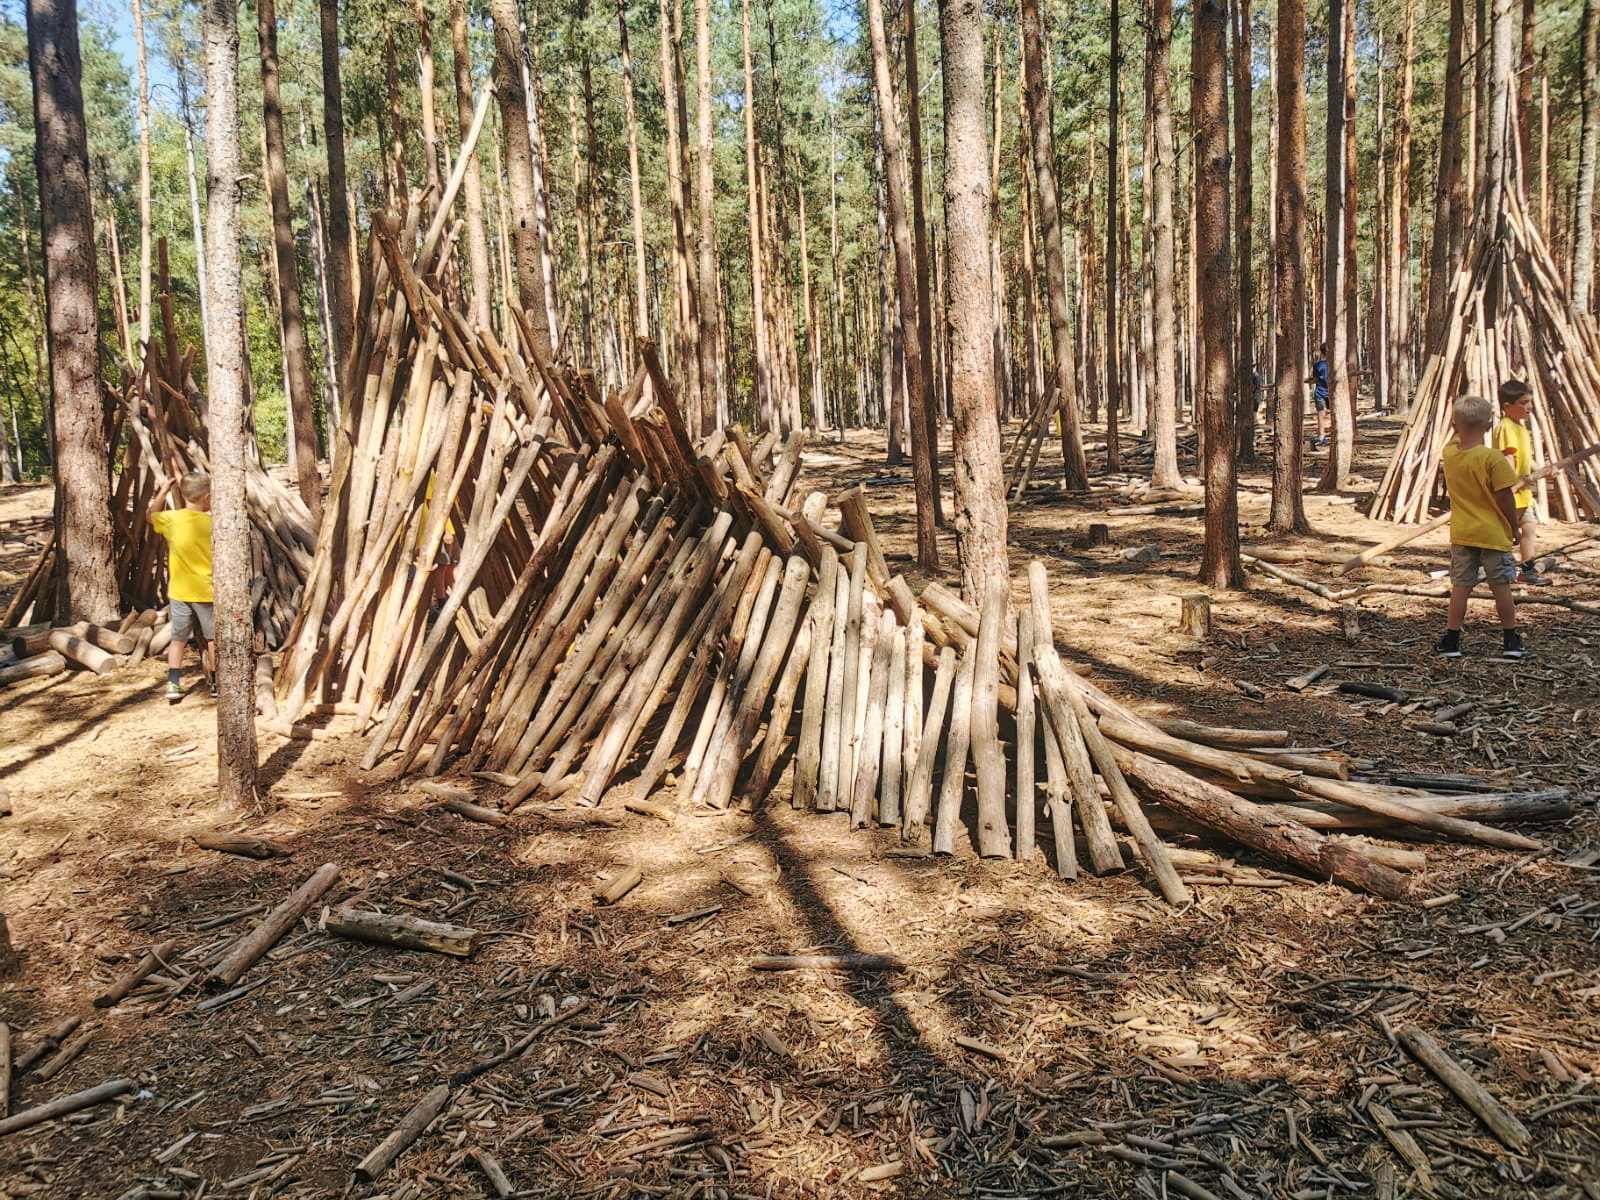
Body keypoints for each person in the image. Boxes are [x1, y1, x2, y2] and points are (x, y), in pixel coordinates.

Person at [1437, 395, 1525, 659]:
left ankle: (1452, 640)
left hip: (1463, 534)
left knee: (1461, 587)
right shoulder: (1493, 459)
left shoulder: (1450, 453)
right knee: (1501, 587)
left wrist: (1458, 425)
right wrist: (1514, 527)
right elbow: (1505, 497)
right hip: (1493, 535)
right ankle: (1510, 639)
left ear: (1455, 423)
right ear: (1489, 426)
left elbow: (1455, 436)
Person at [150, 471, 216, 701]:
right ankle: (217, 682)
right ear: (207, 497)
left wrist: (164, 491)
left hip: (179, 592)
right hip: (206, 591)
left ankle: (173, 682)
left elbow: (151, 515)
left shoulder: (173, 519)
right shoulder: (213, 524)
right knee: (213, 638)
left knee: (178, 638)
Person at [1492, 380, 1548, 585]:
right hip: (1511, 492)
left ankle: (1527, 569)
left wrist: (1541, 471)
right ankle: (1501, 571)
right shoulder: (1506, 427)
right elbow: (1508, 458)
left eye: (1530, 402)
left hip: (1523, 491)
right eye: (1523, 403)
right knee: (1507, 533)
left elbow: (1525, 457)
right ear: (1507, 406)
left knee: (1530, 527)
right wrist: (1509, 485)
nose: (1529, 407)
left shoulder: (1521, 427)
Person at [1308, 345, 1329, 448]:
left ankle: (1322, 438)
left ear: (1321, 352)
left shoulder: (1317, 365)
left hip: (1320, 392)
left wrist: (1310, 381)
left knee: (1321, 415)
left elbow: (1316, 379)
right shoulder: (1334, 364)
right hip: (1328, 393)